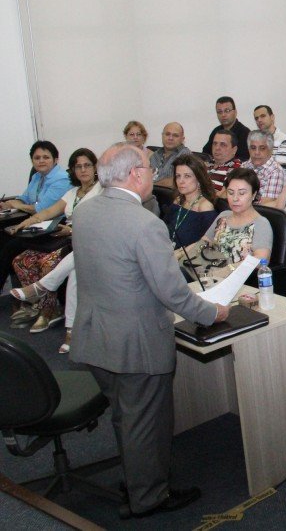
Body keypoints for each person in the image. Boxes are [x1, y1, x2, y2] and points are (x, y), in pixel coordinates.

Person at [71, 143, 229, 518]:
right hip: (136, 343)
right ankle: (149, 497)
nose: (154, 172)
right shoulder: (144, 223)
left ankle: (136, 476)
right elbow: (173, 292)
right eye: (148, 166)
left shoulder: (85, 210)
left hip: (96, 336)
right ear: (136, 174)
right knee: (146, 422)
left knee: (125, 415)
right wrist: (214, 314)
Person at [8, 149, 101, 341]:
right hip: (63, 238)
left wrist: (72, 230)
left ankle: (47, 309)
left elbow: (101, 223)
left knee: (48, 262)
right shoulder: (72, 192)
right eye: (78, 166)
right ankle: (47, 307)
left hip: (83, 239)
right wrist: (27, 222)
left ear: (95, 167)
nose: (83, 170)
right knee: (21, 260)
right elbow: (48, 212)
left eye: (87, 165)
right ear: (72, 170)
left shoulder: (102, 190)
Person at [0, 141, 72, 292]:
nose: (41, 161)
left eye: (46, 157)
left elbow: (42, 209)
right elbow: (24, 198)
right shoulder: (37, 176)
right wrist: (11, 203)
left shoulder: (62, 179)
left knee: (9, 246)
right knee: (3, 239)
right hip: (35, 225)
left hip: (54, 228)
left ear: (55, 159)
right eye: (37, 157)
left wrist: (18, 205)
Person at [160, 155, 218, 250]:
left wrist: (180, 254)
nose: (181, 181)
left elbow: (207, 241)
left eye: (187, 176)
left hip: (187, 260)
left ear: (199, 179)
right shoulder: (178, 200)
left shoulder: (205, 207)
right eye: (178, 176)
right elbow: (163, 229)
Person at [240, 131, 286, 205]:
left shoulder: (276, 172)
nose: (257, 152)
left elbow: (265, 207)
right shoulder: (244, 166)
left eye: (262, 148)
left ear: (271, 150)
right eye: (253, 148)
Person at [201, 96, 251, 161]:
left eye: (227, 111)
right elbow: (206, 154)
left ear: (235, 112)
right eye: (219, 112)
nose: (223, 115)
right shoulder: (216, 131)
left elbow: (244, 158)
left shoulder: (245, 133)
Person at [149, 122, 191, 188]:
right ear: (162, 136)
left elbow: (174, 182)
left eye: (175, 135)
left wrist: (150, 184)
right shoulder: (155, 155)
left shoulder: (185, 155)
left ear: (182, 139)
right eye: (167, 134)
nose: (170, 138)